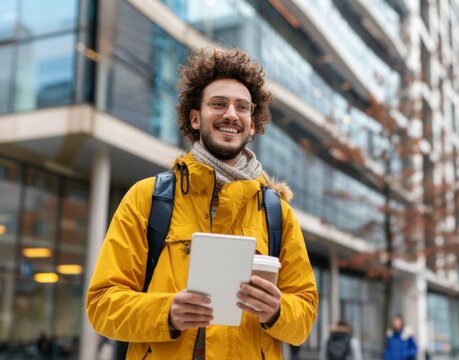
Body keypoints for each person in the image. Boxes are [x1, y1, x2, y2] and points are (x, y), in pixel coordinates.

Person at [86, 47, 319, 359]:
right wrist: (166, 312)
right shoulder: (147, 198)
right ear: (195, 118)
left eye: (242, 107)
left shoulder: (278, 213)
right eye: (218, 104)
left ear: (252, 125)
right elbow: (101, 305)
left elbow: (303, 320)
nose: (231, 114)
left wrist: (277, 310)